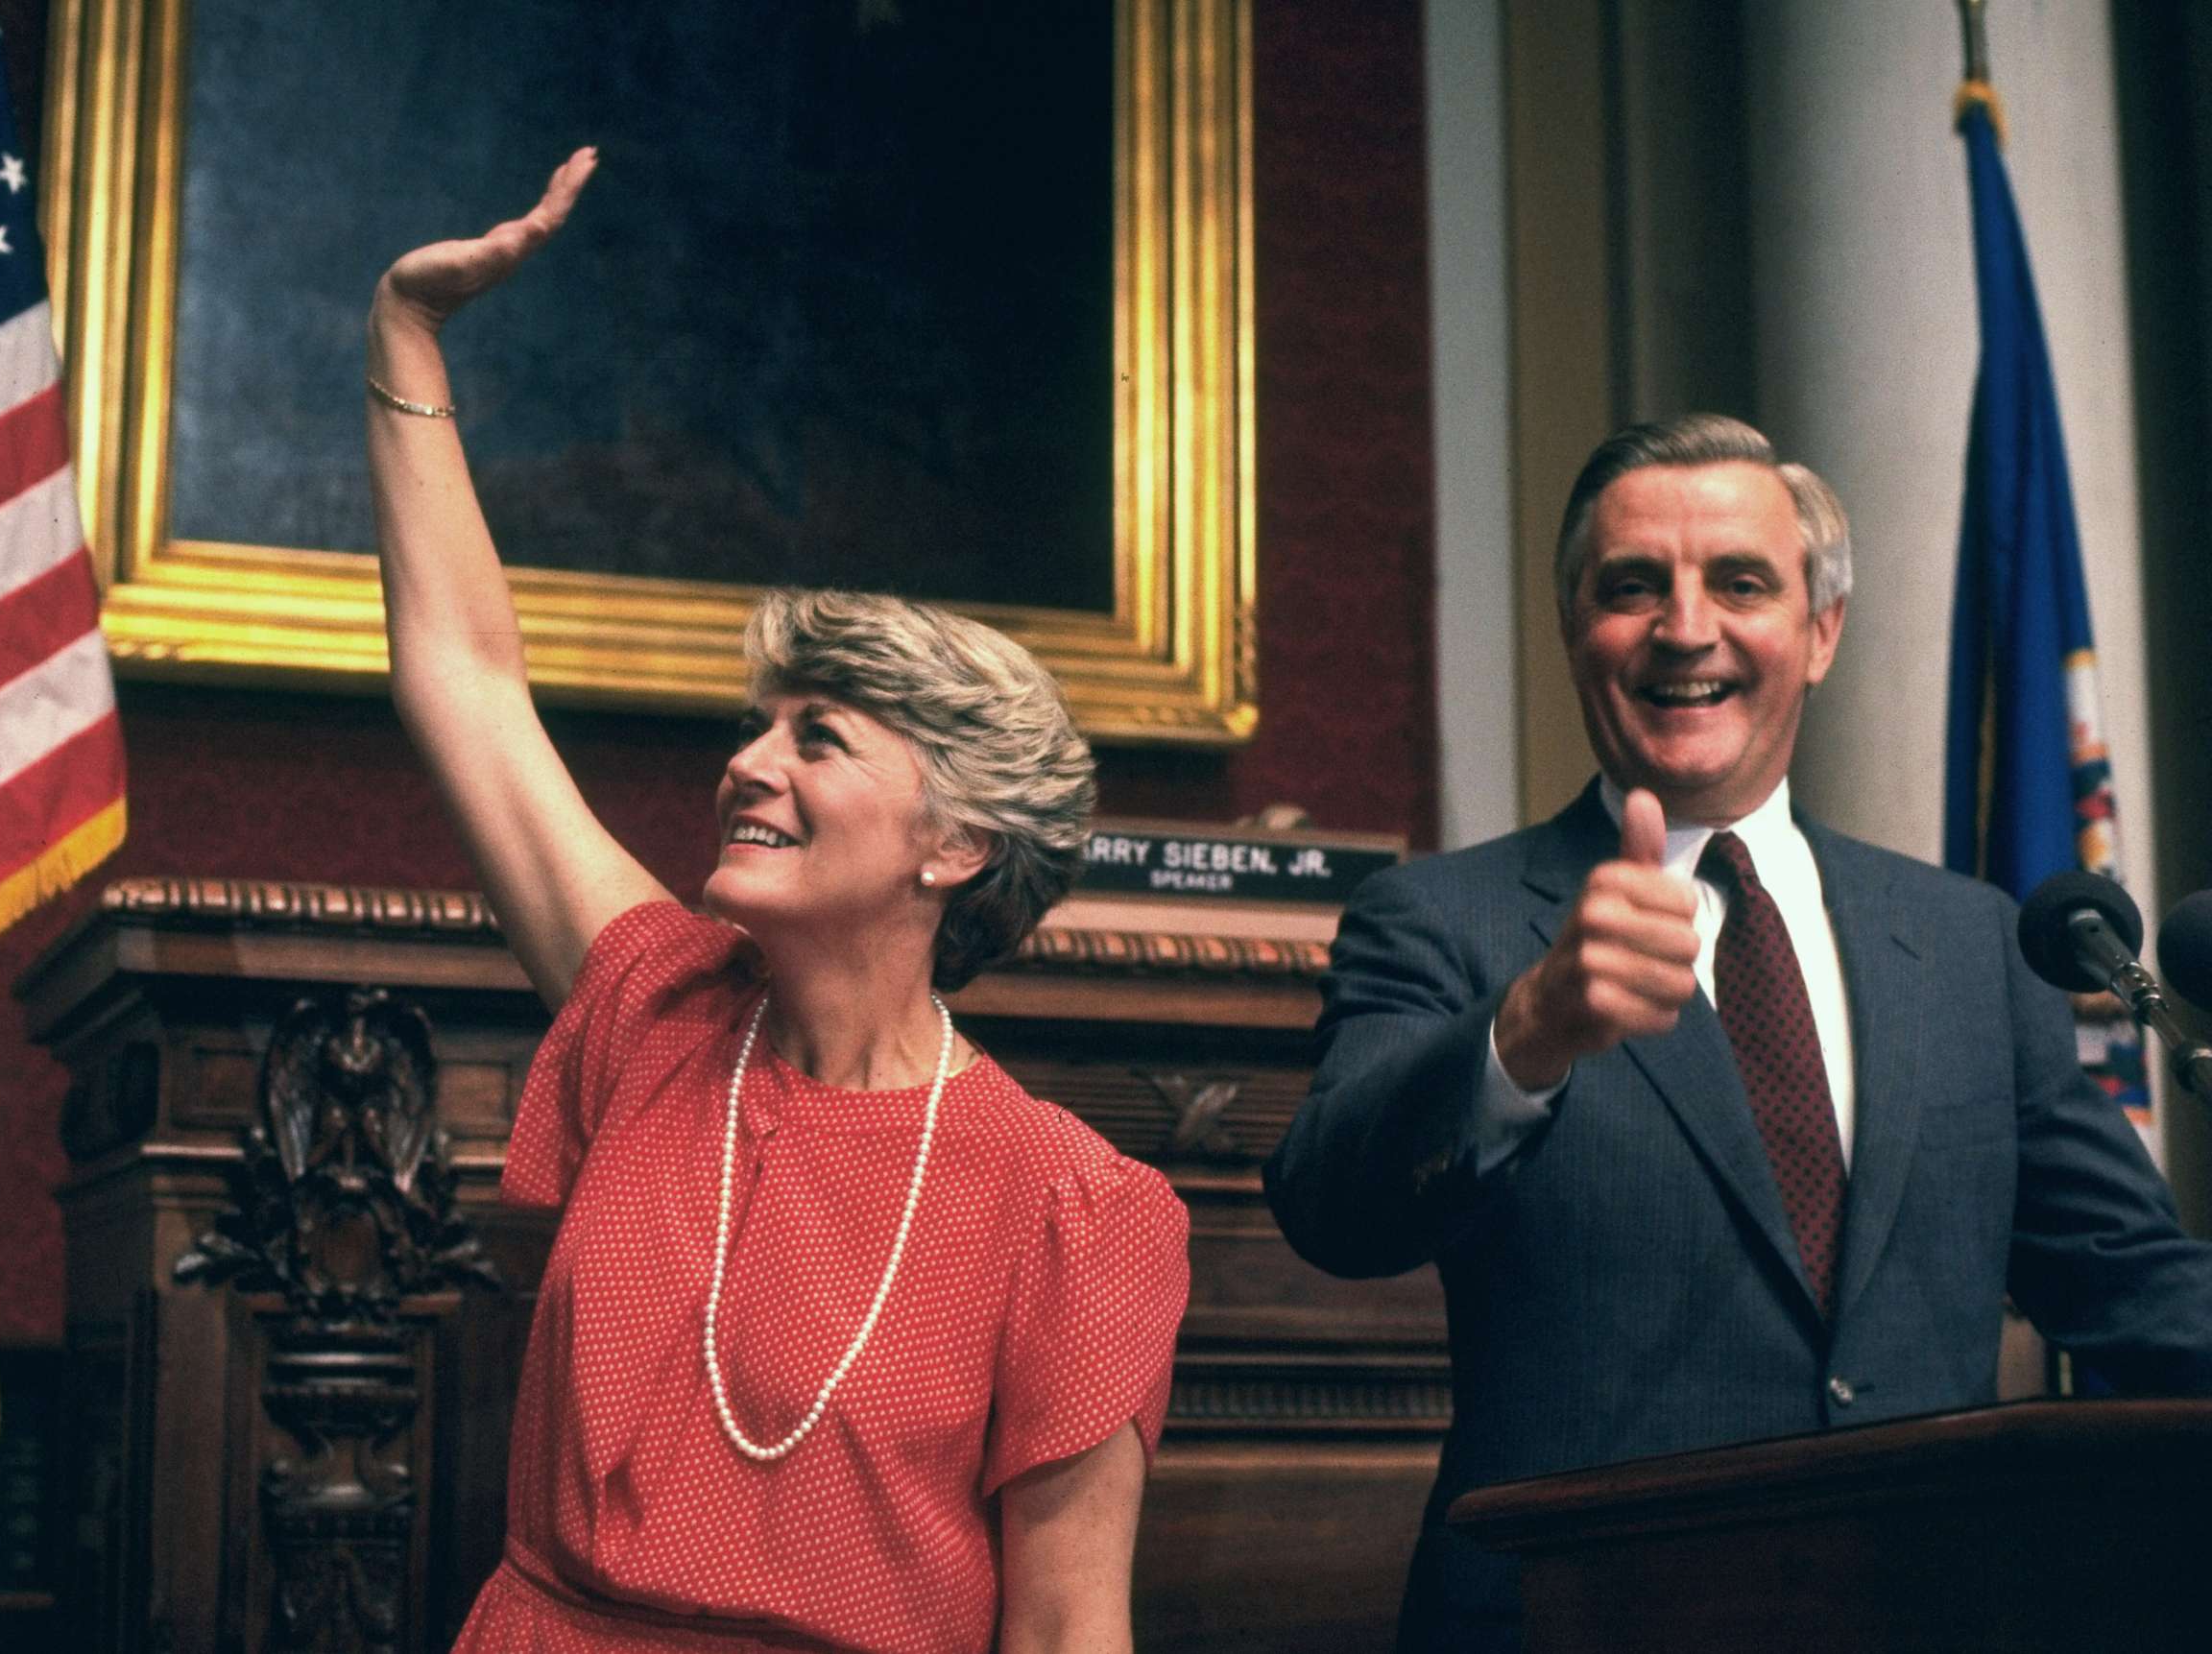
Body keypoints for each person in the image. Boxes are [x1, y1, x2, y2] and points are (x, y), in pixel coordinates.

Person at [367, 149, 1190, 1654]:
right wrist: (407, 341)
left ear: (955, 845)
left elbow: (1072, 1634)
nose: (749, 763)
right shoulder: (652, 1011)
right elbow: (469, 685)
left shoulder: (1076, 1211)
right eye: (761, 723)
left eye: (819, 737)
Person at [1262, 413, 2212, 1652]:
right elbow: (1334, 1208)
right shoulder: (1445, 918)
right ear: (1573, 631)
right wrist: (1529, 1030)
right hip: (1584, 1625)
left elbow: (2129, 1284)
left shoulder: (1972, 944)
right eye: (1633, 587)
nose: (1687, 627)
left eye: (1741, 582)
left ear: (1820, 633)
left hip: (1935, 1611)